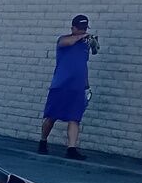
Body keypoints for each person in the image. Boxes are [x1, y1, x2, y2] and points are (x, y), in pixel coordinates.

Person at [39, 14, 98, 160]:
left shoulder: (85, 44)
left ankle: (71, 148)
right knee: (51, 117)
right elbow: (67, 42)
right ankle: (43, 141)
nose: (83, 31)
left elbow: (92, 54)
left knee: (74, 118)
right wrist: (82, 36)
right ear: (73, 28)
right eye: (81, 28)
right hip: (61, 85)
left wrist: (93, 42)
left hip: (78, 87)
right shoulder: (64, 40)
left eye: (85, 28)